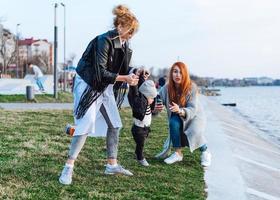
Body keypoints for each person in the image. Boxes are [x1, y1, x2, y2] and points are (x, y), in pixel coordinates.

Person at [59, 5, 141, 185]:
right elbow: (100, 72)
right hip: (88, 83)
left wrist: (135, 72)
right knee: (86, 123)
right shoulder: (103, 41)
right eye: (130, 31)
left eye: (133, 32)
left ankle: (112, 165)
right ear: (120, 26)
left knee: (115, 124)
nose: (131, 35)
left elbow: (123, 69)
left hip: (105, 85)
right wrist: (124, 78)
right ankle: (68, 167)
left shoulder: (125, 45)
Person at [155, 61, 212, 167]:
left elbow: (193, 108)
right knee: (173, 123)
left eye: (181, 72)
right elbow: (158, 98)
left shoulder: (192, 87)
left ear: (185, 74)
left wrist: (180, 110)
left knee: (194, 132)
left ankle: (205, 152)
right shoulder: (167, 88)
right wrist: (156, 105)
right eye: (175, 72)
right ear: (171, 73)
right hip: (178, 114)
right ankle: (178, 153)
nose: (178, 75)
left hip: (194, 115)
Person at [128, 74, 157, 167]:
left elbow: (142, 86)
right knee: (141, 144)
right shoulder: (139, 102)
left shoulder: (149, 102)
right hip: (138, 129)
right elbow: (135, 92)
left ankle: (137, 153)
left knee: (141, 144)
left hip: (145, 128)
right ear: (145, 96)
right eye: (150, 97)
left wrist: (142, 77)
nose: (152, 99)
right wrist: (146, 101)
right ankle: (140, 157)